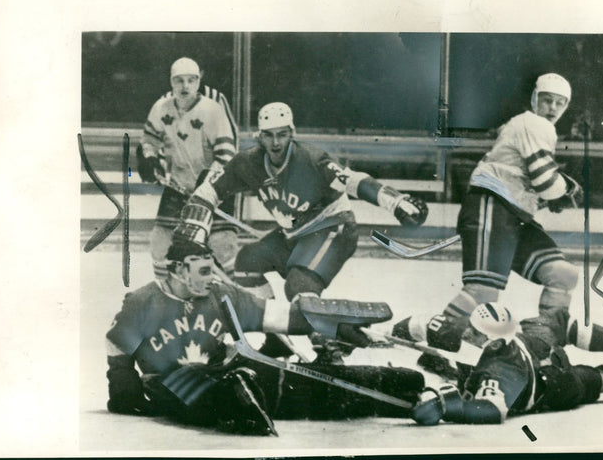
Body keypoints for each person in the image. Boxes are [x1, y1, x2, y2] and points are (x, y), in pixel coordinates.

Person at [105, 221, 424, 435]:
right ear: (177, 270)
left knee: (329, 388)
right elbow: (116, 345)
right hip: (174, 383)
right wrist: (124, 391)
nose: (211, 277)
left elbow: (279, 316)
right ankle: (236, 396)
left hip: (238, 372)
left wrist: (335, 327)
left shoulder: (220, 294)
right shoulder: (142, 301)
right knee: (191, 380)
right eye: (203, 271)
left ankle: (404, 385)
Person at [181, 101, 429, 361]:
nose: (276, 143)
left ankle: (325, 342)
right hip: (295, 235)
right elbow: (210, 190)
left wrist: (395, 201)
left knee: (298, 285)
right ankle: (278, 338)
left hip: (333, 227)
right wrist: (193, 227)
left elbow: (352, 181)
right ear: (260, 136)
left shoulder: (311, 159)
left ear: (292, 133)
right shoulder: (248, 163)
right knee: (247, 262)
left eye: (282, 134)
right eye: (269, 135)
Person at [414, 73, 583, 375]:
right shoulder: (534, 123)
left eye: (560, 103)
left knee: (563, 275)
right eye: (547, 99)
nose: (553, 107)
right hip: (492, 205)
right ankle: (439, 346)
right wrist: (566, 188)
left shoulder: (526, 126)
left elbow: (531, 181)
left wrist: (553, 192)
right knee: (481, 292)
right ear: (535, 99)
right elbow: (545, 181)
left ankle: (542, 343)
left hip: (513, 214)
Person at [408, 302, 603, 425]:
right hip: (533, 343)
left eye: (472, 332)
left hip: (552, 384)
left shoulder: (500, 368)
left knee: (591, 379)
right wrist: (393, 333)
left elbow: (491, 409)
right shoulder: (515, 333)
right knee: (558, 323)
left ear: (485, 337)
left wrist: (446, 408)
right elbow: (420, 322)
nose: (466, 332)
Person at [136, 57, 239, 281]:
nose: (185, 86)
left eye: (191, 80)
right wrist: (150, 158)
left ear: (198, 81)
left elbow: (227, 154)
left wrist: (208, 185)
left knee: (222, 244)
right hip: (179, 186)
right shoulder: (161, 108)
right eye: (179, 81)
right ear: (171, 83)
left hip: (216, 188)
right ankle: (165, 294)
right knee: (160, 243)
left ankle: (237, 295)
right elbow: (149, 140)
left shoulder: (212, 111)